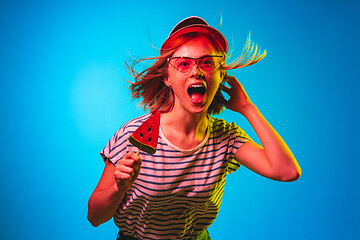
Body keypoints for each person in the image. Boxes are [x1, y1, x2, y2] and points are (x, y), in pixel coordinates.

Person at [87, 16, 301, 240]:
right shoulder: (133, 135)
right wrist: (118, 188)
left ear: (220, 76)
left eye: (207, 62)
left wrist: (248, 108)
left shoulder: (226, 139)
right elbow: (94, 217)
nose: (196, 71)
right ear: (167, 78)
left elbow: (287, 172)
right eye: (183, 63)